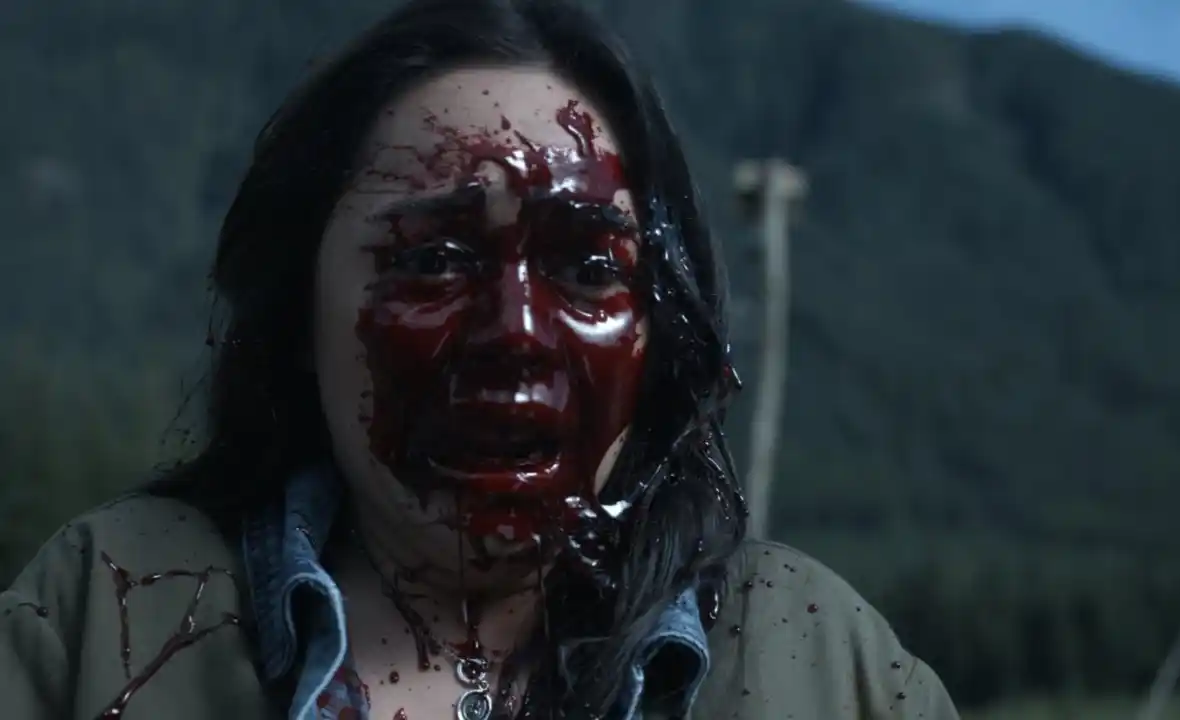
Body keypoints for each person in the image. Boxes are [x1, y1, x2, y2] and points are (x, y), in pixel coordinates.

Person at [0, 0, 961, 718]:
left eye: (590, 269)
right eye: (433, 259)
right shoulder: (104, 617)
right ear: (298, 315)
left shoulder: (820, 664)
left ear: (660, 331)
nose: (517, 333)